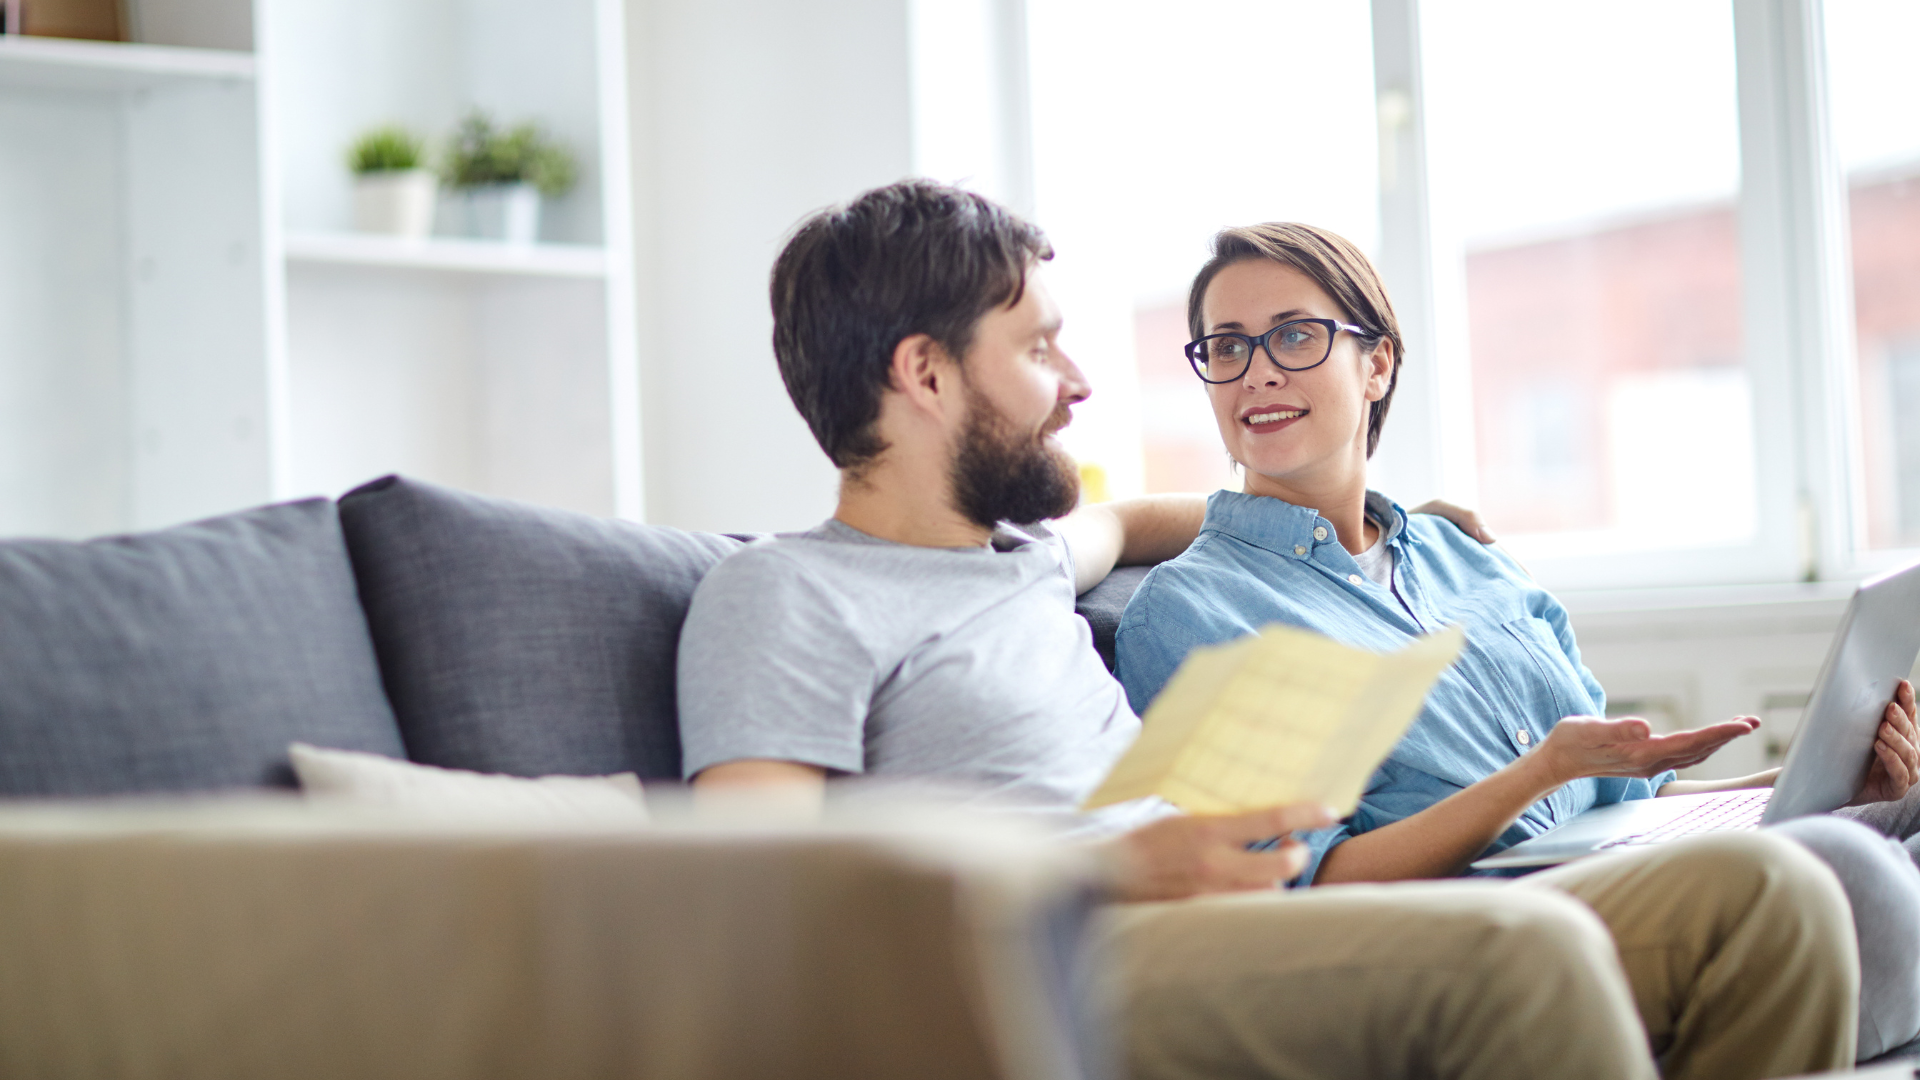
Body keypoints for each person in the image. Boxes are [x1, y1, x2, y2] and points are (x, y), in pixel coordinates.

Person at [676, 179, 1862, 1079]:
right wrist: (1096, 867)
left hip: (1236, 914)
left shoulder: (1031, 560)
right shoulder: (785, 594)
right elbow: (743, 903)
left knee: (1780, 900)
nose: (1080, 384)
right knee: (1527, 956)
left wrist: (1396, 525)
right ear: (925, 376)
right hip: (1067, 959)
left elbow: (1154, 516)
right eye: (1039, 348)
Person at [1113, 219, 1920, 1060]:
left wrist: (1817, 780)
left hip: (1619, 870)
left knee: (1898, 815)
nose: (1257, 371)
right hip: (1476, 929)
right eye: (1227, 346)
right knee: (1840, 873)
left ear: (1377, 364)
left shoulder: (1463, 554)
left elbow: (1624, 807)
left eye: (1293, 335)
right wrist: (1538, 773)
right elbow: (1305, 882)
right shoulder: (1193, 612)